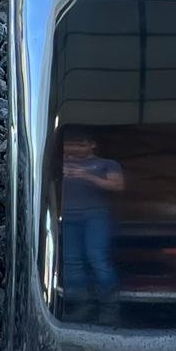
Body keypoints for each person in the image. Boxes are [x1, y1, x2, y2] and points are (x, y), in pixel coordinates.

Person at [60, 127, 124, 325]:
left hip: (95, 215)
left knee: (97, 257)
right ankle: (82, 305)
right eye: (69, 145)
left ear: (92, 145)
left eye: (79, 144)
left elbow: (118, 185)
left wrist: (86, 176)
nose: (74, 148)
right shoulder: (59, 164)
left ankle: (110, 307)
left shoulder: (106, 164)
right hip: (68, 216)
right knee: (71, 262)